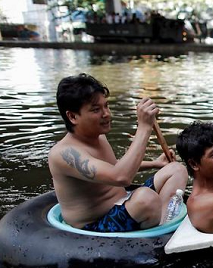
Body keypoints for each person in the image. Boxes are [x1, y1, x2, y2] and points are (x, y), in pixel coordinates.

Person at [48, 73, 188, 232]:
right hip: (96, 224)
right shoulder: (64, 154)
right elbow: (121, 177)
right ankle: (160, 223)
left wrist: (155, 163)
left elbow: (113, 167)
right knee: (146, 199)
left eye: (106, 106)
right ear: (72, 116)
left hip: (123, 202)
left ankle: (162, 223)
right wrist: (144, 128)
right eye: (96, 110)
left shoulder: (99, 136)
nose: (106, 114)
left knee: (176, 169)